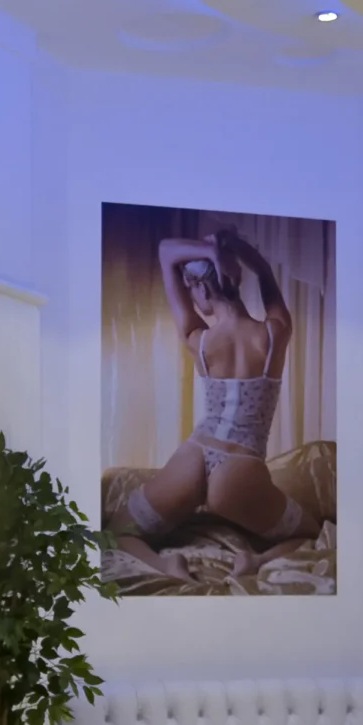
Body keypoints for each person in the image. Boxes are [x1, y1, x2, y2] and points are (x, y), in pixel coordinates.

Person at [118, 227, 305, 567]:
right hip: (239, 467)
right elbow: (263, 268)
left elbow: (165, 250)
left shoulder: (198, 339)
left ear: (203, 288)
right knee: (309, 533)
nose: (193, 300)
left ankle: (165, 566)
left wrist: (211, 251)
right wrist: (232, 249)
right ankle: (255, 562)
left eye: (192, 291)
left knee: (119, 533)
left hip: (194, 454)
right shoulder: (274, 333)